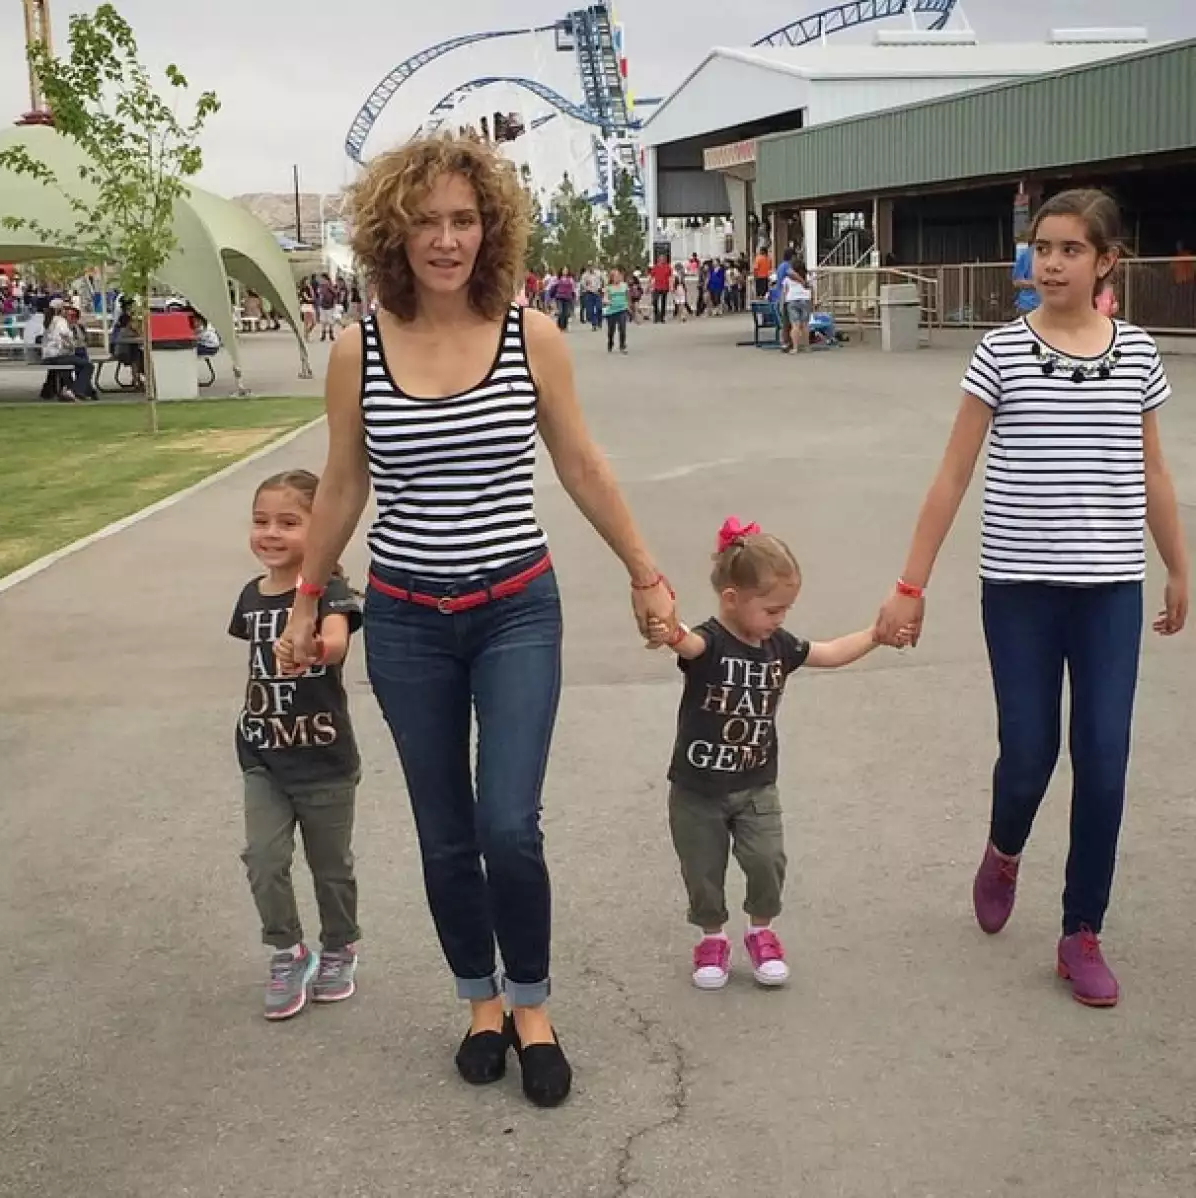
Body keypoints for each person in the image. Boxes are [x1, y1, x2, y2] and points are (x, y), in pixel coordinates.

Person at [274, 132, 676, 1108]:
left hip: (515, 612)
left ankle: (531, 1001)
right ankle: (478, 1001)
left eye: (464, 219)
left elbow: (581, 463)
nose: (446, 239)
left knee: (508, 823)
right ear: (392, 232)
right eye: (427, 221)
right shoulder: (355, 346)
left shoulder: (530, 333)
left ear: (488, 228)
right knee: (445, 831)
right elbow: (343, 484)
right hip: (408, 621)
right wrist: (306, 594)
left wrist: (644, 572)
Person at [876, 189, 1189, 1009]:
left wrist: (1178, 566)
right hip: (1018, 590)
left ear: (1107, 261)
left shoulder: (1140, 356)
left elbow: (1154, 474)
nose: (1049, 263)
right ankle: (1005, 847)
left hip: (1109, 592)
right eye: (1041, 248)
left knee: (1105, 758)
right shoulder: (1002, 353)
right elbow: (952, 475)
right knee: (1028, 755)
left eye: (1069, 250)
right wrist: (910, 586)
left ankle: (1081, 931)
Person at [649, 518, 912, 990]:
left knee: (768, 860)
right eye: (772, 609)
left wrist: (875, 635)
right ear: (732, 599)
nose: (780, 619)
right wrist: (667, 626)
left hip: (755, 785)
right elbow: (683, 640)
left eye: (786, 610)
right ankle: (712, 939)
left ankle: (760, 931)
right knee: (703, 870)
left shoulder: (779, 646)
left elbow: (828, 652)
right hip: (696, 789)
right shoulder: (709, 642)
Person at [229, 470, 364, 1021]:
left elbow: (335, 643)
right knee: (263, 859)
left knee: (330, 867)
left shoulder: (330, 593)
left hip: (324, 759)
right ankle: (288, 950)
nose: (271, 533)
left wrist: (312, 646)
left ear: (323, 528)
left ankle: (339, 947)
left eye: (289, 522)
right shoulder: (250, 596)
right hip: (263, 755)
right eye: (261, 521)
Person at [41, 301, 95, 401]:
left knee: (75, 364)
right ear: (60, 310)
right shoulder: (60, 321)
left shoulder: (48, 321)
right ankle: (75, 390)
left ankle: (69, 389)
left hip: (48, 357)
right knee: (88, 365)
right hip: (59, 356)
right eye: (65, 309)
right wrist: (71, 344)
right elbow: (64, 334)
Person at [604, 267, 630, 354]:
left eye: (618, 276)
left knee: (622, 328)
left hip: (622, 309)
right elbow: (605, 298)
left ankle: (622, 346)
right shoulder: (609, 287)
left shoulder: (624, 285)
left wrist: (629, 307)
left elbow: (627, 297)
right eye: (615, 276)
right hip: (611, 311)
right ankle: (610, 342)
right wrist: (607, 301)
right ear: (612, 278)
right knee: (611, 330)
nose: (617, 278)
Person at [650, 253, 672, 324]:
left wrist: (671, 287)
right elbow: (652, 277)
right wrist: (649, 286)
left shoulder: (668, 267)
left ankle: (662, 318)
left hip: (665, 287)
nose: (662, 260)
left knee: (663, 303)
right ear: (658, 259)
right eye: (661, 258)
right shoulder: (655, 267)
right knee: (655, 301)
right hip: (656, 287)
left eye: (663, 258)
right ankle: (656, 317)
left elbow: (670, 278)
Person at [553, 266, 576, 331]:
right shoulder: (557, 279)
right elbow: (553, 287)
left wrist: (573, 296)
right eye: (564, 270)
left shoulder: (570, 279)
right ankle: (559, 326)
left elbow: (573, 288)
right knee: (560, 312)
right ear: (561, 271)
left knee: (566, 313)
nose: (565, 271)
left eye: (566, 270)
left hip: (567, 297)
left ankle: (564, 326)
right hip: (559, 297)